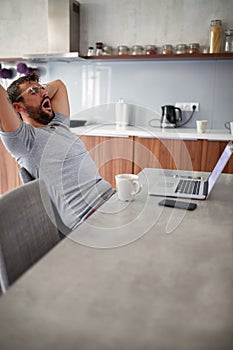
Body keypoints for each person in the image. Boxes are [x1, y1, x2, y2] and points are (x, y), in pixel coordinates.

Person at [0, 72, 114, 232]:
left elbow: (59, 85)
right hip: (89, 220)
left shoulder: (59, 125)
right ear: (18, 107)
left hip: (112, 200)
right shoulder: (24, 141)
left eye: (43, 89)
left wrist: (38, 90)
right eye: (34, 92)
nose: (44, 92)